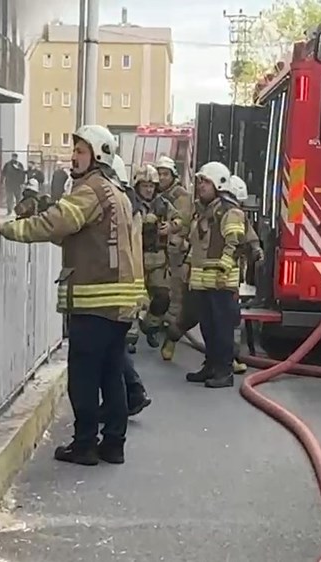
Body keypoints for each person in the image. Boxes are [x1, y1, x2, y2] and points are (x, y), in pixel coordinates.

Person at [0, 124, 143, 466]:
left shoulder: (91, 190)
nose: (73, 157)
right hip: (118, 304)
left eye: (80, 151)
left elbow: (58, 223)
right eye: (74, 150)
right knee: (111, 374)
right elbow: (79, 235)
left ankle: (85, 444)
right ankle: (113, 445)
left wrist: (9, 228)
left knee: (85, 376)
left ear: (98, 155)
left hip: (95, 304)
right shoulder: (115, 191)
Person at [184, 162, 245, 389]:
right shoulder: (203, 211)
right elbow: (197, 244)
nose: (201, 186)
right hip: (203, 283)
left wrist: (223, 269)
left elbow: (234, 242)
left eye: (206, 182)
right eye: (199, 181)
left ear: (219, 184)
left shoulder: (229, 211)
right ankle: (210, 366)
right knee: (208, 328)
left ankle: (224, 372)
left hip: (220, 283)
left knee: (222, 329)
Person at [109, 154, 152, 415]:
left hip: (117, 288)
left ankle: (134, 393)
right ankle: (133, 393)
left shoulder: (120, 205)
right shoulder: (131, 205)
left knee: (112, 348)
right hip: (129, 286)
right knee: (114, 347)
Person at [133, 164, 179, 348]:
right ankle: (131, 336)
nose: (148, 189)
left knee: (162, 298)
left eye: (151, 186)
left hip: (158, 259)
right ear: (137, 186)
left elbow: (179, 220)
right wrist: (143, 222)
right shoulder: (130, 203)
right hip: (135, 257)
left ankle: (150, 327)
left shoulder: (163, 204)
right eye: (145, 186)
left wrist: (171, 226)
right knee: (133, 299)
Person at [155, 156, 194, 358]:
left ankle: (170, 338)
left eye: (165, 174)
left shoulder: (181, 196)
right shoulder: (157, 194)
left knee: (177, 294)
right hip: (158, 253)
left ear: (173, 176)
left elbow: (184, 220)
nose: (161, 178)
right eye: (159, 173)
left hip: (176, 253)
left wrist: (172, 227)